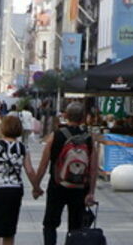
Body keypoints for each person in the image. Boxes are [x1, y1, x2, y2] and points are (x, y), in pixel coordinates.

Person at [34, 102, 98, 245]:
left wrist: (36, 186)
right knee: (76, 226)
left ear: (66, 116)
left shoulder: (55, 136)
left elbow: (43, 164)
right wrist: (91, 192)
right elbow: (93, 168)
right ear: (83, 118)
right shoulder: (88, 139)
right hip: (80, 188)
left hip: (57, 186)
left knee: (50, 224)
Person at [0, 113, 38, 245]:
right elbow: (30, 170)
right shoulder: (22, 148)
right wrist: (36, 187)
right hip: (14, 191)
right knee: (9, 230)